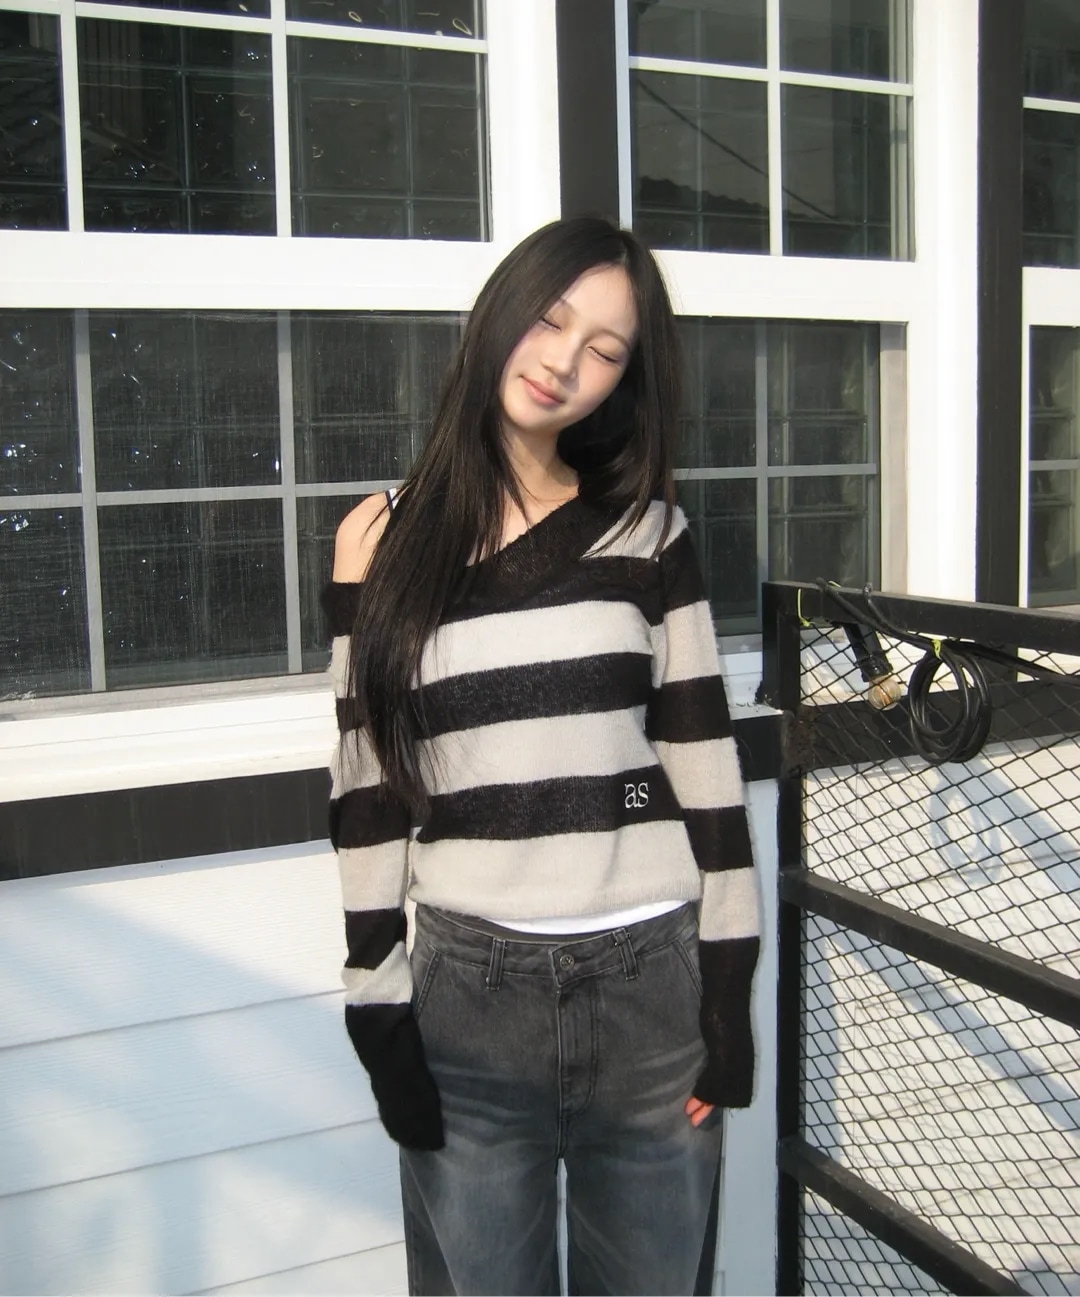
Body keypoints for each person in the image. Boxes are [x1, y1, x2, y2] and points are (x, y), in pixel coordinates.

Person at [322, 215, 761, 1297]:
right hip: (469, 1004)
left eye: (605, 349)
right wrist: (377, 1005)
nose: (566, 361)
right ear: (502, 312)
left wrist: (725, 997)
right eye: (552, 320)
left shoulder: (648, 534)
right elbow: (367, 786)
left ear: (624, 381)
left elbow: (706, 769)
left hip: (651, 993)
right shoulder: (378, 538)